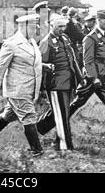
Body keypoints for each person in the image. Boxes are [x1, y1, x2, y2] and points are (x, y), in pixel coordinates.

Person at [0, 14, 44, 157]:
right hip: (18, 89)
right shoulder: (11, 43)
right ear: (24, 26)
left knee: (9, 115)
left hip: (30, 88)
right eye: (34, 26)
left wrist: (44, 66)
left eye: (37, 26)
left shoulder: (32, 42)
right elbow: (0, 67)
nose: (36, 29)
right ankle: (37, 151)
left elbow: (30, 61)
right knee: (29, 116)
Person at [69, 10, 105, 139]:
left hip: (104, 75)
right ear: (98, 20)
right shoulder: (90, 38)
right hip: (92, 77)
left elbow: (104, 58)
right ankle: (48, 125)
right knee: (77, 103)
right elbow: (88, 61)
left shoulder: (104, 36)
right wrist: (94, 78)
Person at [38, 16, 84, 150]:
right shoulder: (46, 42)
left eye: (64, 27)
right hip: (55, 84)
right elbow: (40, 65)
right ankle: (65, 147)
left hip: (68, 82)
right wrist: (41, 88)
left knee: (64, 113)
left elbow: (73, 60)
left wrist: (80, 79)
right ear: (52, 26)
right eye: (59, 27)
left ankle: (54, 138)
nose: (62, 30)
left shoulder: (64, 39)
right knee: (62, 115)